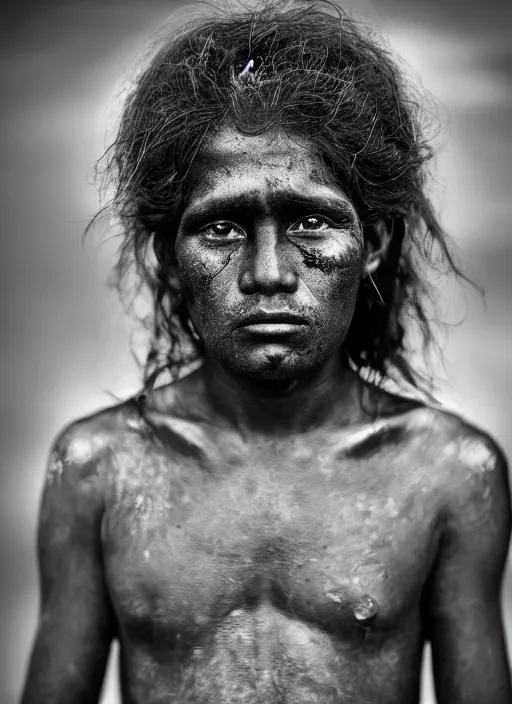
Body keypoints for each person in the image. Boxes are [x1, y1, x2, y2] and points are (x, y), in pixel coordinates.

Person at [21, 1, 512, 702]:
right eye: (222, 227)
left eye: (313, 221)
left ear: (371, 244)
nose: (270, 273)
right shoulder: (100, 470)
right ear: (167, 256)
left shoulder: (448, 474)